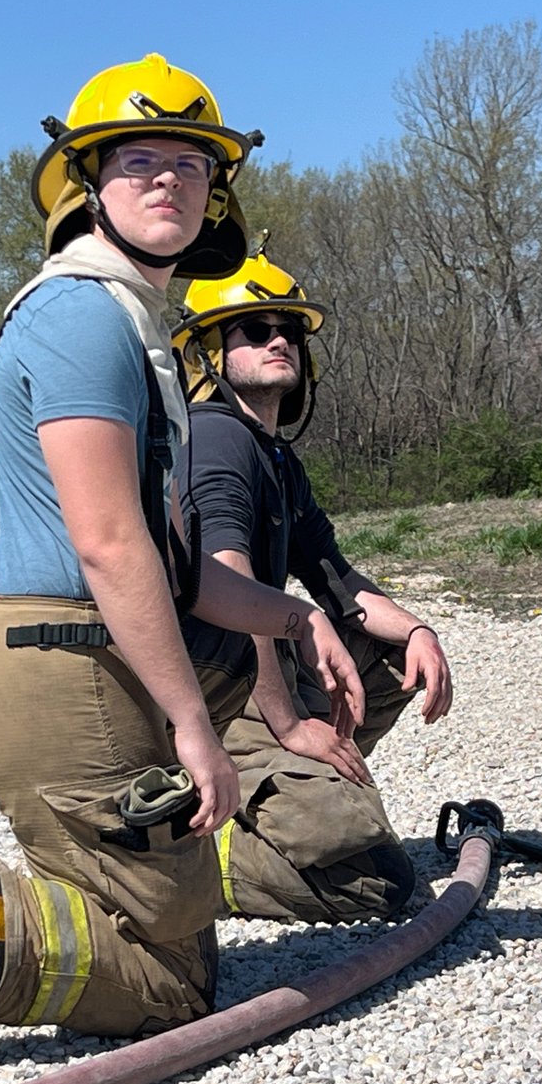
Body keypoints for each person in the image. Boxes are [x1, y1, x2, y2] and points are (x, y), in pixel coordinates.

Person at [0, 56, 365, 1084]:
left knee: (148, 912)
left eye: (192, 165)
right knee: (173, 979)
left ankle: (66, 881)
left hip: (51, 642)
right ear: (86, 187)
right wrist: (197, 730)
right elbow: (111, 547)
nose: (170, 183)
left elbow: (188, 578)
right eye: (138, 162)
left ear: (218, 194)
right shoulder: (82, 318)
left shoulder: (140, 329)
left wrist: (293, 618)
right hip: (41, 649)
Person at [173, 242, 454, 925]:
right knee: (376, 884)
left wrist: (419, 632)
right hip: (219, 690)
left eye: (289, 332)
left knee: (392, 657)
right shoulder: (215, 438)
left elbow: (338, 581)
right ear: (208, 353)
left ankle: (310, 796)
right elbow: (235, 597)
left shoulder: (273, 455)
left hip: (261, 671)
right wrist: (291, 722)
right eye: (256, 330)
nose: (279, 342)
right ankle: (187, 856)